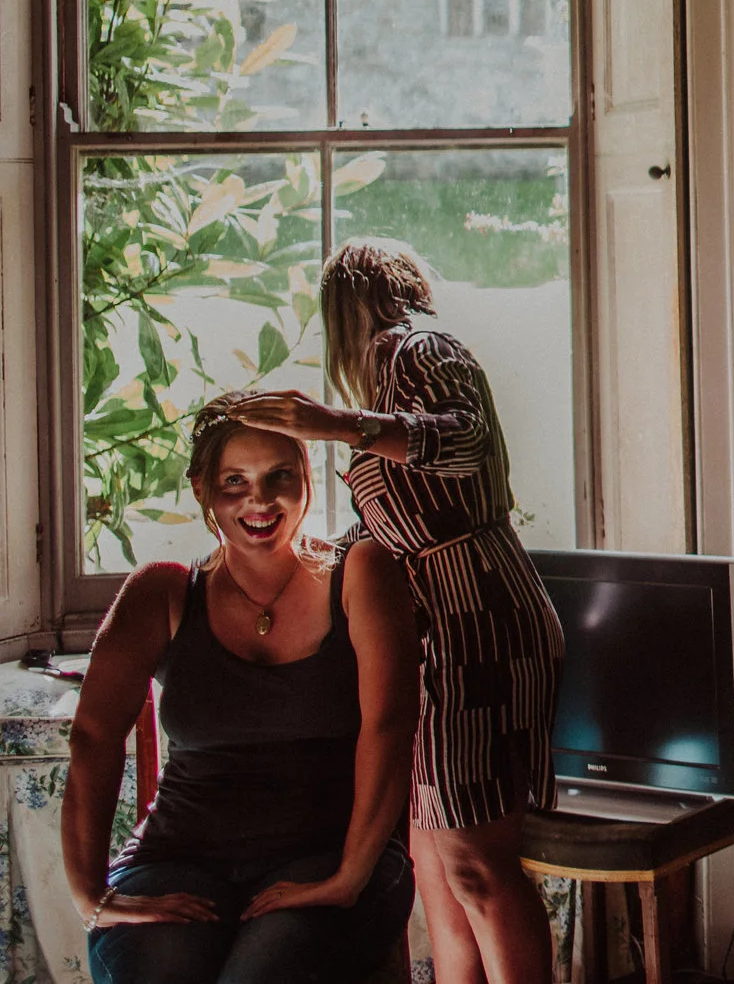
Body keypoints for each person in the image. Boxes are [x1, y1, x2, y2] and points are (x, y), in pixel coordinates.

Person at [229, 241, 563, 984]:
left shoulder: (415, 346)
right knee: (434, 864)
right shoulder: (389, 378)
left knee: (476, 860)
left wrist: (339, 424)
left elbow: (465, 439)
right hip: (440, 629)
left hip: (480, 622)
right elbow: (393, 527)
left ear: (348, 307)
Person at [64, 402, 420, 984]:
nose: (261, 499)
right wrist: (89, 895)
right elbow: (94, 736)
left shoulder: (361, 571)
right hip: (177, 862)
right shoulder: (163, 592)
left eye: (280, 475)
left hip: (327, 857)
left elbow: (392, 723)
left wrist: (349, 878)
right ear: (203, 489)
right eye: (236, 482)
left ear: (307, 477)